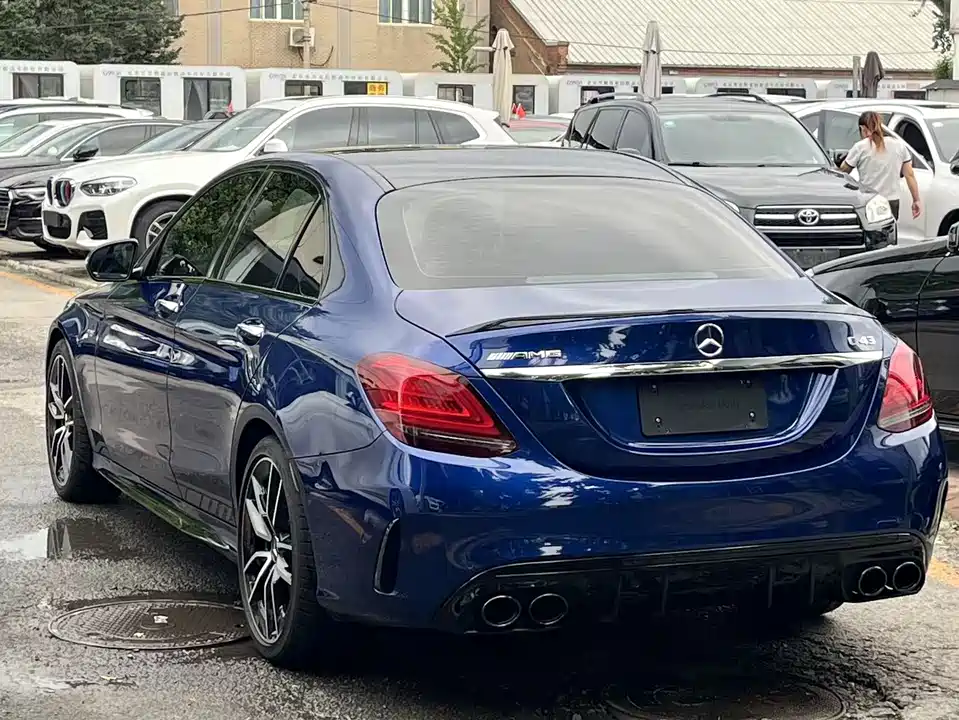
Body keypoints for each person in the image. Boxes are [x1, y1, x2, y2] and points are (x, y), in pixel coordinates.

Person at [840, 111, 920, 221]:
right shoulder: (899, 145)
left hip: (869, 201)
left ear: (863, 128)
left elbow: (843, 172)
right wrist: (916, 200)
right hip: (892, 201)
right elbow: (909, 175)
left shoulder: (860, 147)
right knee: (889, 232)